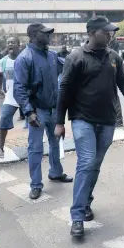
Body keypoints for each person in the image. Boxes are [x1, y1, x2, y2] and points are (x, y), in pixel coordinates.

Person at [55, 16, 124, 237]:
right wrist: (59, 122)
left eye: (111, 31)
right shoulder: (76, 58)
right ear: (92, 33)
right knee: (86, 163)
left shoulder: (114, 57)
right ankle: (77, 216)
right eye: (106, 31)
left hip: (107, 120)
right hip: (83, 120)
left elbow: (123, 80)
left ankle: (85, 202)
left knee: (94, 165)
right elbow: (64, 91)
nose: (111, 34)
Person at [14, 23, 73, 200]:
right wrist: (28, 112)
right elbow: (19, 88)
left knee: (56, 143)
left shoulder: (52, 55)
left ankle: (55, 172)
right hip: (37, 111)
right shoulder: (24, 58)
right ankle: (36, 184)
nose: (49, 36)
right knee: (35, 148)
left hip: (54, 109)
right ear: (33, 35)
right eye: (45, 33)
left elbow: (68, 67)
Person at [0, 37, 22, 158]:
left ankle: (41, 141)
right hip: (11, 97)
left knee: (37, 120)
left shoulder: (24, 59)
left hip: (26, 96)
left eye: (13, 42)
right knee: (3, 120)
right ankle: (0, 149)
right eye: (8, 43)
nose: (10, 44)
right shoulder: (3, 61)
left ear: (19, 44)